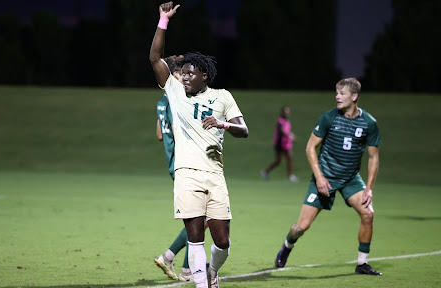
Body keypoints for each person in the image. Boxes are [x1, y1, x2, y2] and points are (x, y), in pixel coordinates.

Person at [149, 2, 249, 287]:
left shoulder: (222, 97)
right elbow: (155, 57)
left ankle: (213, 270)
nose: (185, 77)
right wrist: (163, 21)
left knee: (223, 241)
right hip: (186, 174)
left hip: (215, 175)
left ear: (205, 75)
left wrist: (223, 124)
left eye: (191, 73)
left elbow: (244, 130)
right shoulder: (175, 92)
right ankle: (202, 284)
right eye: (183, 73)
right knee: (195, 239)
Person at [274, 78, 382, 276]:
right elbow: (310, 148)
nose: (337, 97)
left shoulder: (369, 123)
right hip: (325, 177)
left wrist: (369, 188)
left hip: (350, 179)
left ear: (354, 96)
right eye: (336, 93)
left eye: (342, 94)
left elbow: (374, 157)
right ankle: (287, 245)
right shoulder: (329, 118)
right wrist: (320, 177)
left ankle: (362, 264)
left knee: (368, 214)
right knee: (301, 227)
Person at [153, 55, 193, 282]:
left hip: (173, 164)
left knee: (199, 217)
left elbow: (160, 134)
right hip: (184, 164)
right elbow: (177, 132)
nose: (183, 79)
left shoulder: (161, 102)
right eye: (179, 75)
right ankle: (177, 263)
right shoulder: (173, 100)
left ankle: (178, 263)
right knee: (199, 218)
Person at [260, 106, 298, 182]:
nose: (287, 114)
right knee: (278, 161)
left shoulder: (288, 122)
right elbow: (282, 131)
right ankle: (266, 172)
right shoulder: (280, 121)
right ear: (282, 113)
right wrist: (291, 136)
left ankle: (290, 176)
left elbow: (288, 131)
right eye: (285, 112)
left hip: (287, 143)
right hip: (279, 143)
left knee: (290, 158)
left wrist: (291, 137)